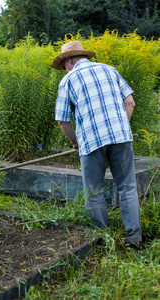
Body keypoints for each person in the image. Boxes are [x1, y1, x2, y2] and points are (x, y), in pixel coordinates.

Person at [52, 40, 143, 250]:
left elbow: (62, 121)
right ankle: (134, 239)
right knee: (128, 187)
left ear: (70, 61)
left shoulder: (68, 80)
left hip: (91, 141)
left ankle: (101, 240)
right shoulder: (110, 70)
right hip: (121, 136)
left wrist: (76, 142)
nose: (64, 69)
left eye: (64, 64)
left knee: (94, 191)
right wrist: (121, 126)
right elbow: (130, 102)